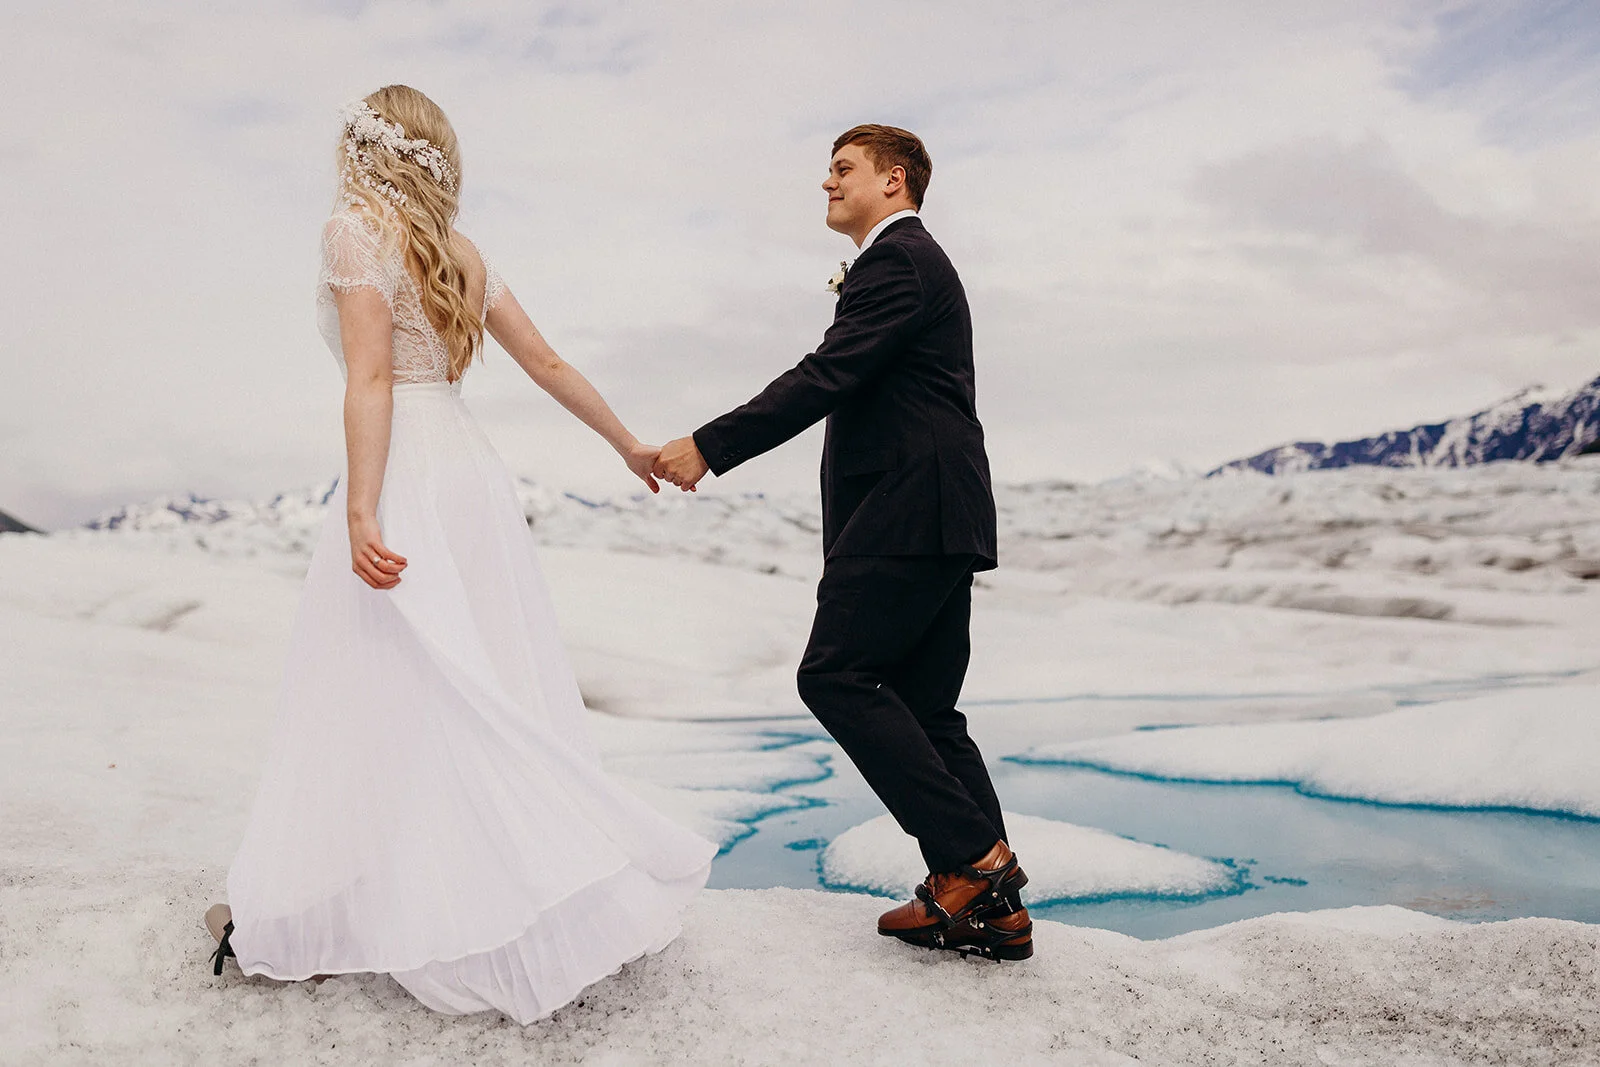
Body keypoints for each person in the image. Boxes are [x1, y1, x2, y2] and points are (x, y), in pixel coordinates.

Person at [204, 85, 717, 1024]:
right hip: (470, 473)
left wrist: (361, 505)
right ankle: (448, 880)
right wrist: (629, 444)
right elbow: (551, 365)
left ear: (366, 150)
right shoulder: (465, 255)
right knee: (473, 677)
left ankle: (382, 898)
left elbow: (369, 378)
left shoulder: (351, 231)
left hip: (406, 468)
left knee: (375, 677)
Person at [654, 125, 1031, 961]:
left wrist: (709, 445)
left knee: (835, 674)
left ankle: (973, 864)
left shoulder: (898, 261)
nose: (826, 182)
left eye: (842, 169)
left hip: (909, 507)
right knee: (928, 708)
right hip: (940, 511)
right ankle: (990, 912)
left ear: (894, 181)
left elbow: (828, 374)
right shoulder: (913, 263)